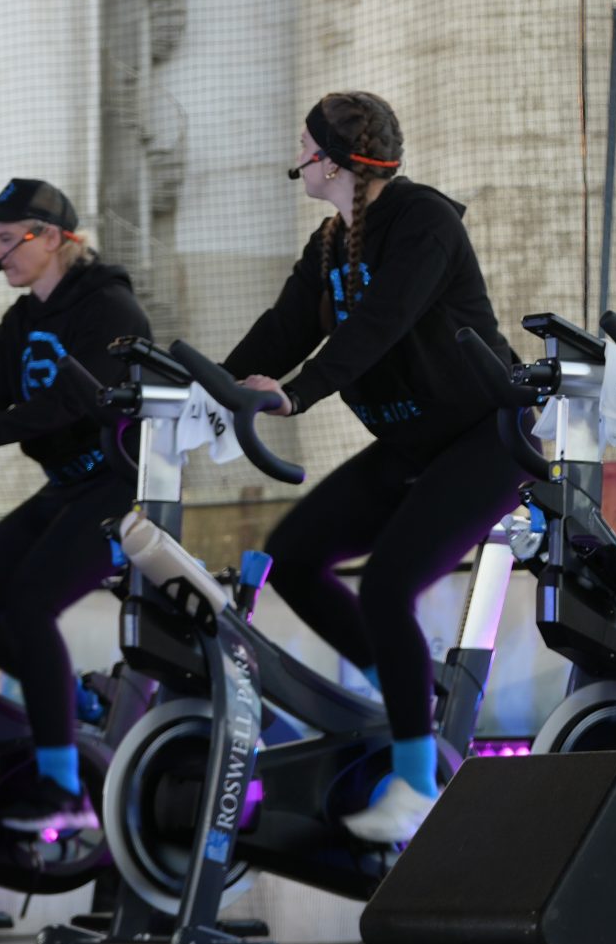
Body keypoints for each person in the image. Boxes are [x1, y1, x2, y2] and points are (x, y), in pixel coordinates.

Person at [223, 93, 526, 844]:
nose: (296, 153)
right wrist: (205, 389)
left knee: (389, 582)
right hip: (411, 443)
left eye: (304, 143)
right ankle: (404, 690)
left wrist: (298, 394)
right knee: (294, 557)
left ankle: (417, 783)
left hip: (486, 439)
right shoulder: (330, 243)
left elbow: (378, 326)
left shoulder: (424, 221)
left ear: (331, 161)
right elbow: (282, 329)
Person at [0, 180, 147, 834]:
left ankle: (64, 790)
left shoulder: (110, 308)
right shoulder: (22, 320)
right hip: (66, 485)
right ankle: (72, 704)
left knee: (29, 603)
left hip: (121, 487)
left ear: (49, 237)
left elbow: (71, 403)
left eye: (5, 239)